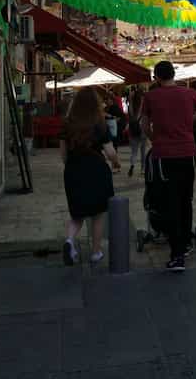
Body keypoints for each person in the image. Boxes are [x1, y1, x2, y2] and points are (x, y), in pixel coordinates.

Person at [141, 61, 196, 272]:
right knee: (185, 199)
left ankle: (177, 255)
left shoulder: (150, 97)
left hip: (164, 156)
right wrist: (189, 118)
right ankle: (186, 242)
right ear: (174, 74)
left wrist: (154, 139)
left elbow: (143, 124)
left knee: (169, 203)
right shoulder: (190, 94)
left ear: (156, 77)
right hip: (187, 154)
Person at [59, 87, 120, 266]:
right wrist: (116, 163)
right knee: (98, 214)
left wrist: (72, 167)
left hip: (73, 170)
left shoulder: (67, 124)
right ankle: (95, 252)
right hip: (96, 171)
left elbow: (63, 154)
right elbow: (110, 152)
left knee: (77, 214)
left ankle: (69, 241)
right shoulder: (99, 124)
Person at [126, 89, 146, 177]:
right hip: (142, 131)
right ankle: (143, 169)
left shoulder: (130, 108)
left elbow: (129, 117)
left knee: (134, 151)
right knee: (143, 151)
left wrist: (130, 98)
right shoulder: (142, 108)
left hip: (133, 131)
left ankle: (132, 165)